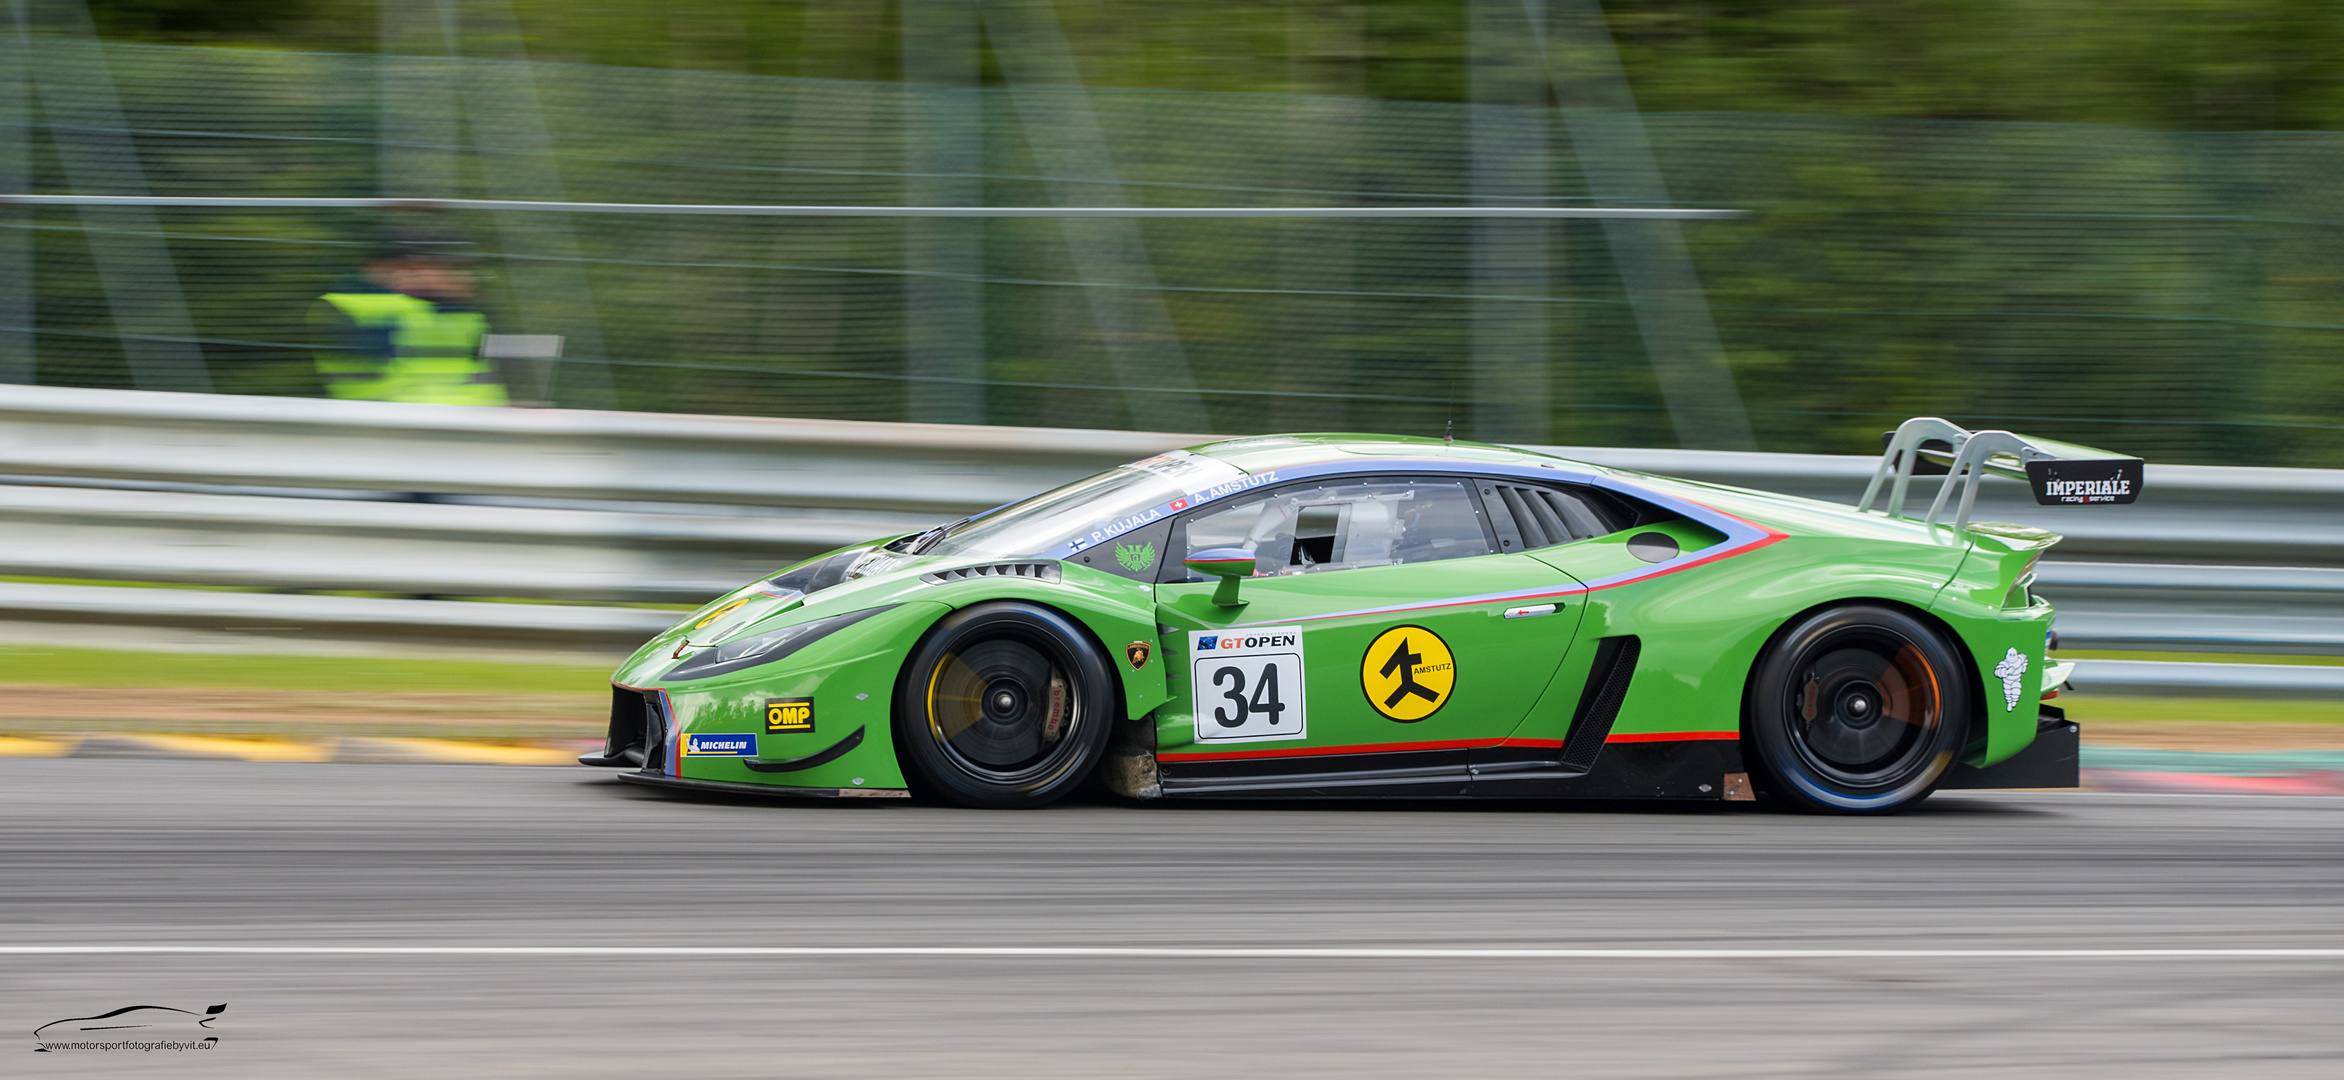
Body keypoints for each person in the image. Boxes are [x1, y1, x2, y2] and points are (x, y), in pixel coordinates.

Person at [311, 234, 508, 405]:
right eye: (451, 267)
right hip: (397, 427)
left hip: (477, 426)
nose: (465, 277)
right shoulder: (354, 307)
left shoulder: (462, 313)